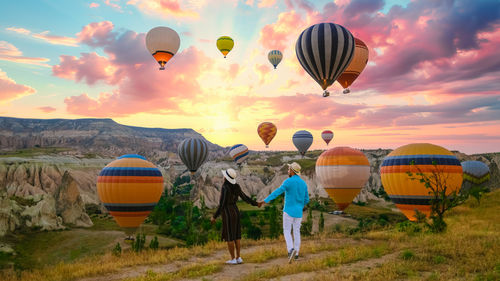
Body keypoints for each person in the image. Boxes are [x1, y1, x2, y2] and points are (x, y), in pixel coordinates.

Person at [258, 162, 309, 263]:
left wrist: (265, 200)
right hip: (298, 212)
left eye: (289, 169)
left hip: (288, 211)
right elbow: (306, 199)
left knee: (286, 231)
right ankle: (297, 253)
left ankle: (290, 250)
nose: (288, 170)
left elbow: (277, 192)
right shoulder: (304, 183)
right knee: (296, 232)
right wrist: (300, 205)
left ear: (293, 171)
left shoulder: (288, 181)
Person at [211, 168, 259, 265]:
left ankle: (233, 259)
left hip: (228, 213)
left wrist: (215, 216)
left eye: (224, 176)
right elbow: (245, 197)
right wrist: (255, 203)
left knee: (230, 236)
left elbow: (222, 204)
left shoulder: (225, 187)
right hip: (236, 211)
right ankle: (238, 257)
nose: (223, 177)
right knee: (237, 235)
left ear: (226, 178)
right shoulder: (236, 186)